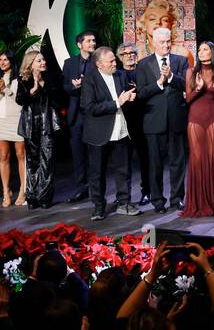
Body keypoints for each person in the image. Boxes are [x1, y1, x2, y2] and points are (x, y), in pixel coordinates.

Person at [79, 47, 142, 221]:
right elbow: (89, 107)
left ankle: (124, 202)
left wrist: (129, 99)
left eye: (115, 60)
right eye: (111, 61)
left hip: (120, 130)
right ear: (99, 64)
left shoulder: (120, 75)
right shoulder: (90, 79)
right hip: (99, 133)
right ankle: (99, 207)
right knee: (97, 172)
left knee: (123, 170)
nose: (115, 63)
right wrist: (117, 102)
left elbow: (124, 101)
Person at [135, 27, 189, 213]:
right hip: (153, 121)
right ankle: (157, 201)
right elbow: (141, 93)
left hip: (176, 120)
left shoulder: (181, 61)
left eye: (168, 41)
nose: (166, 45)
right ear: (153, 43)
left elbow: (187, 85)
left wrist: (171, 77)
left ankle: (177, 199)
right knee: (155, 165)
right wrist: (159, 82)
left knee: (178, 163)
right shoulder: (143, 65)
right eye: (162, 42)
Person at [179, 40, 214, 218]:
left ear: (212, 52)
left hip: (213, 119)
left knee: (213, 158)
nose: (201, 52)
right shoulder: (190, 72)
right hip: (195, 119)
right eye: (199, 49)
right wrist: (198, 89)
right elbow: (188, 99)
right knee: (197, 159)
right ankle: (197, 203)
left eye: (205, 49)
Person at [16, 50, 59, 208]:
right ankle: (32, 196)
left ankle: (45, 197)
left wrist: (43, 85)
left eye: (43, 59)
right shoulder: (23, 79)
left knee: (47, 159)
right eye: (39, 61)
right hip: (30, 123)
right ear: (31, 63)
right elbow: (20, 100)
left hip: (46, 121)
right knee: (32, 161)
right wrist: (33, 89)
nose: (43, 62)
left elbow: (57, 97)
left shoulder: (49, 77)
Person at [61, 31, 97, 204]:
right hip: (76, 115)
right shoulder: (69, 63)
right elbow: (64, 87)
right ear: (79, 44)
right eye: (88, 41)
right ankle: (81, 189)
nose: (92, 43)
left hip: (94, 114)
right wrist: (74, 86)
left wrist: (86, 84)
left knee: (94, 154)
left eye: (93, 40)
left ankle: (96, 189)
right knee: (78, 154)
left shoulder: (99, 61)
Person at [0, 49, 26, 208]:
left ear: (12, 61)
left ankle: (22, 190)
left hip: (16, 118)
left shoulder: (20, 77)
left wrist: (4, 88)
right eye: (0, 60)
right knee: (3, 156)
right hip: (0, 119)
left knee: (20, 155)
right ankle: (6, 191)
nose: (2, 62)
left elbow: (19, 100)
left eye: (5, 59)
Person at [114, 42, 147, 206]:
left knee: (144, 159)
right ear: (120, 58)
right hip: (123, 122)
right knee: (123, 161)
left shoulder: (143, 71)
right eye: (125, 53)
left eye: (132, 52)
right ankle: (123, 195)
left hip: (142, 121)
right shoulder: (116, 75)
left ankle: (146, 191)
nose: (129, 55)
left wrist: (139, 94)